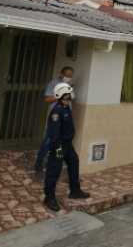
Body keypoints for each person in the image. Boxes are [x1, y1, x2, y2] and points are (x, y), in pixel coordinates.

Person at [43, 83, 89, 211]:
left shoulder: (66, 107)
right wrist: (57, 148)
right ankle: (49, 197)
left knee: (74, 162)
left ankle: (75, 190)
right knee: (54, 170)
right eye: (68, 94)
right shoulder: (57, 111)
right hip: (59, 146)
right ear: (63, 95)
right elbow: (54, 133)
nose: (70, 96)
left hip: (68, 144)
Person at [34, 66, 74, 173]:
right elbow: (47, 99)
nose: (68, 77)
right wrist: (60, 96)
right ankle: (39, 163)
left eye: (70, 76)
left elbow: (69, 101)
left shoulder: (69, 85)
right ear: (61, 74)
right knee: (48, 141)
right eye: (67, 75)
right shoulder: (54, 83)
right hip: (55, 117)